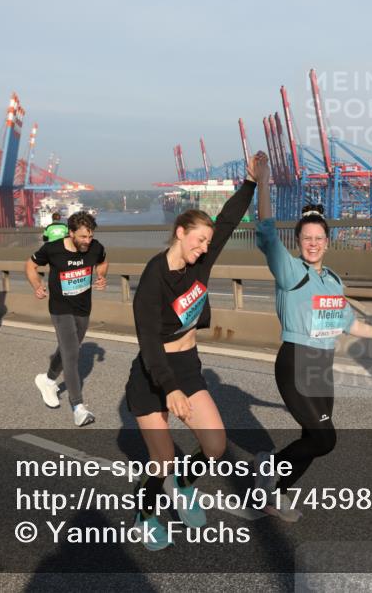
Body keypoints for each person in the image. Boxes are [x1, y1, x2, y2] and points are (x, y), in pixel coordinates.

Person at [253, 156, 372, 521]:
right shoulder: (290, 270)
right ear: (298, 241)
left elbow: (349, 325)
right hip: (296, 361)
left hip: (322, 366)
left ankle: (275, 491)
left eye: (318, 238)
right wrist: (263, 183)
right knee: (325, 439)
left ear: (328, 240)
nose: (312, 244)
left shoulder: (333, 281)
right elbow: (266, 231)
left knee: (313, 439)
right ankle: (269, 467)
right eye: (306, 238)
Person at [125, 153, 260, 550]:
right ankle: (145, 514)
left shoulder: (200, 263)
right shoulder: (154, 278)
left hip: (187, 366)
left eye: (207, 243)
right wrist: (169, 388)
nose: (204, 249)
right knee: (162, 461)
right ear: (180, 232)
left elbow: (228, 221)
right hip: (153, 374)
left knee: (215, 446)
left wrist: (250, 183)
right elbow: (149, 342)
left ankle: (184, 484)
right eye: (199, 240)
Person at [26, 211, 108, 426]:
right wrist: (37, 285)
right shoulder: (52, 249)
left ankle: (47, 380)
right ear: (71, 233)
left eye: (90, 236)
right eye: (83, 237)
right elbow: (30, 265)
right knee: (72, 353)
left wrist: (101, 276)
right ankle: (78, 407)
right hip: (60, 308)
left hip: (83, 308)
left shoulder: (96, 247)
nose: (87, 241)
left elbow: (103, 261)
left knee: (67, 348)